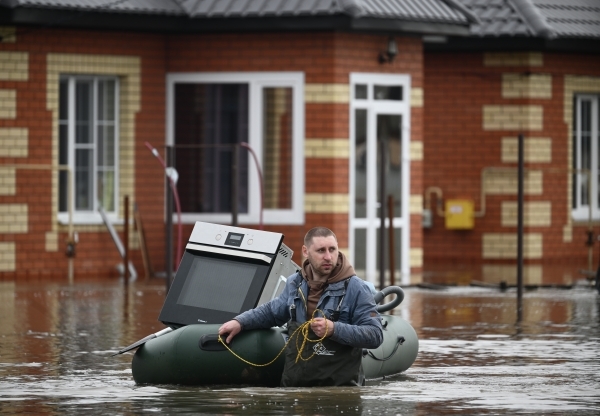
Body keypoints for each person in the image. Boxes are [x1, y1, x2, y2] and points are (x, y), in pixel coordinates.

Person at [218, 227, 383, 387]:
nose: (328, 257)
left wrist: (334, 329)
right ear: (306, 251)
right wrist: (240, 322)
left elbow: (375, 335)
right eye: (321, 251)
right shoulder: (295, 282)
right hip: (295, 389)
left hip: (339, 391)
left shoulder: (357, 288)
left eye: (332, 250)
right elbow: (271, 312)